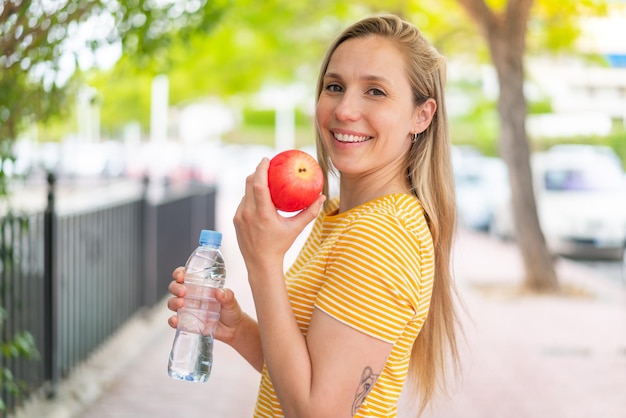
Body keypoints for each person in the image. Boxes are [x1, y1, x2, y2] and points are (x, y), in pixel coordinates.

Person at [168, 14, 462, 417]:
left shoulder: (383, 234)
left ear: (421, 116)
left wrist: (264, 264)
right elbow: (308, 378)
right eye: (335, 87)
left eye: (375, 91)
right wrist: (239, 330)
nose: (344, 110)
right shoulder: (342, 216)